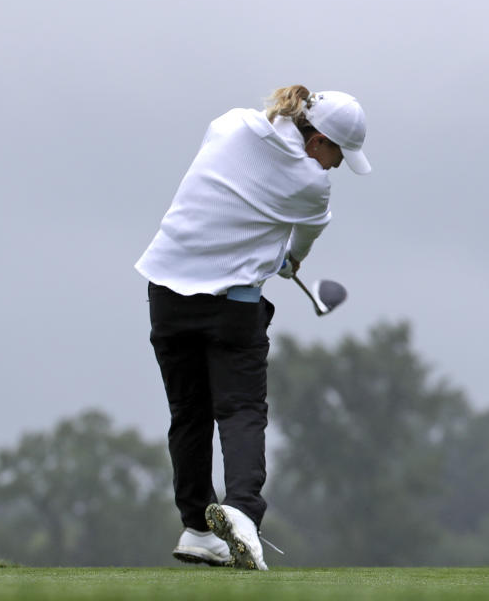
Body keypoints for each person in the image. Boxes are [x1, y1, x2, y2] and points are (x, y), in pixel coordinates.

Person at [135, 85, 371, 570]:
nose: (336, 167)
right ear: (318, 140)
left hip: (166, 292)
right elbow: (298, 246)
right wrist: (287, 261)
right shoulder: (313, 185)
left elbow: (228, 183)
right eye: (338, 155)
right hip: (230, 307)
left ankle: (198, 529)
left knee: (189, 414)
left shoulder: (231, 122)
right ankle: (242, 509)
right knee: (241, 410)